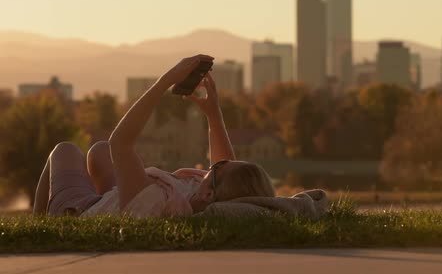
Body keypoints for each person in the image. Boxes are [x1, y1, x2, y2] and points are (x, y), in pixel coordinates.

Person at [32, 56, 275, 217]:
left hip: (85, 212)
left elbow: (122, 142)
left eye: (219, 166)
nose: (219, 162)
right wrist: (213, 114)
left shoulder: (157, 204)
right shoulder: (207, 198)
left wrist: (165, 81)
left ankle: (42, 227)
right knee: (99, 151)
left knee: (65, 150)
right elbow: (227, 172)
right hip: (116, 199)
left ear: (210, 193)